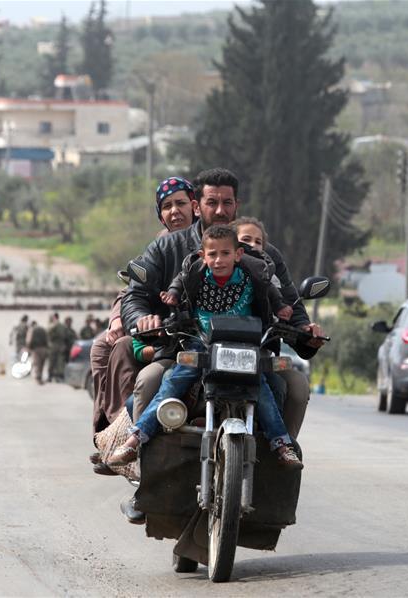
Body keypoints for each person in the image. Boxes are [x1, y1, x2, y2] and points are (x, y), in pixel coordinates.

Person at [120, 167, 325, 443]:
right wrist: (143, 319)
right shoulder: (166, 247)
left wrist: (305, 331)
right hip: (183, 349)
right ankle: (141, 451)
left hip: (253, 353)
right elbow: (135, 296)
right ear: (196, 206)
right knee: (148, 382)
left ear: (236, 205)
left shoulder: (264, 255)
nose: (220, 210)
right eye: (212, 202)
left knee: (297, 387)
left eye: (227, 202)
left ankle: (280, 453)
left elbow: (288, 301)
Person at [108, 224, 302, 469]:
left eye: (225, 253)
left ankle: (282, 445)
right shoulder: (194, 274)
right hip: (201, 342)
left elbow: (270, 290)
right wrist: (173, 297)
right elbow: (179, 282)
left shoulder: (253, 274)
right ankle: (135, 439)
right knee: (174, 381)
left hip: (244, 345)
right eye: (212, 254)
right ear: (203, 256)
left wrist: (281, 308)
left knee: (262, 388)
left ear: (238, 254)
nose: (218, 260)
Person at [90, 176, 199, 436]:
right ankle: (114, 430)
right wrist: (122, 319)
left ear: (195, 206)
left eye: (180, 203)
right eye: (167, 206)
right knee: (104, 346)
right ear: (161, 216)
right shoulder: (160, 245)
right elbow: (133, 289)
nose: (175, 211)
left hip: (198, 331)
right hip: (160, 329)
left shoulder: (217, 243)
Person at [26, 319, 49, 385]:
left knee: (37, 363)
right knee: (42, 364)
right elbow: (47, 339)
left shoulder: (31, 330)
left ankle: (38, 378)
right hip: (44, 349)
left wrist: (28, 348)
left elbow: (29, 340)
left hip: (36, 349)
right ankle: (40, 377)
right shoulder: (43, 329)